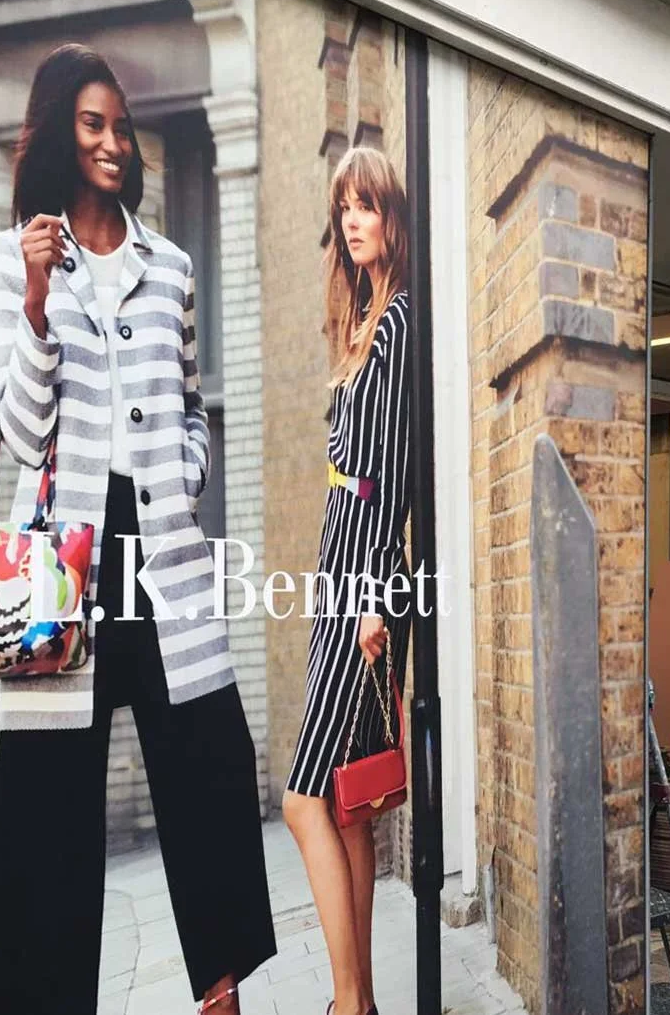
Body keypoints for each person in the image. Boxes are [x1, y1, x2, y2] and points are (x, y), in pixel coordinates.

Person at [0, 42, 276, 1015]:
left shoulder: (171, 265)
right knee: (48, 807)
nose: (110, 142)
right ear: (60, 131)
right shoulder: (14, 254)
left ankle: (218, 992)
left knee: (205, 765)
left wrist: (185, 481)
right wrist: (32, 304)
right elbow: (20, 433)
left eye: (119, 126)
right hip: (62, 565)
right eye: (90, 124)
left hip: (159, 555)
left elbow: (189, 406)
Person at [282, 146, 413, 1015]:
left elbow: (392, 470)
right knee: (350, 804)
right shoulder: (361, 325)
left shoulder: (397, 325)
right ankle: (358, 998)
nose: (353, 219)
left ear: (390, 215)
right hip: (341, 569)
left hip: (363, 574)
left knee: (302, 802)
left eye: (367, 204)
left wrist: (367, 593)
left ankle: (346, 1002)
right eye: (345, 207)